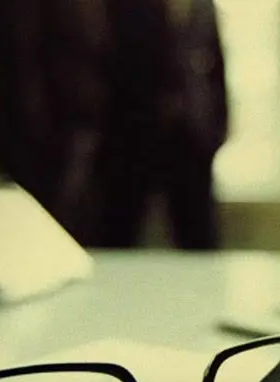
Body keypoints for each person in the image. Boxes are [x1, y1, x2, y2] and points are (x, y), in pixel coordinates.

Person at [92, 0, 229, 250]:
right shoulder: (127, 6)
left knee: (199, 235)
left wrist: (217, 126)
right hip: (137, 132)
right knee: (120, 229)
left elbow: (216, 64)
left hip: (191, 133)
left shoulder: (202, 5)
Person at [0, 0, 111, 242]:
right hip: (49, 126)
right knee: (44, 225)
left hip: (71, 118)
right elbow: (19, 54)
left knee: (65, 221)